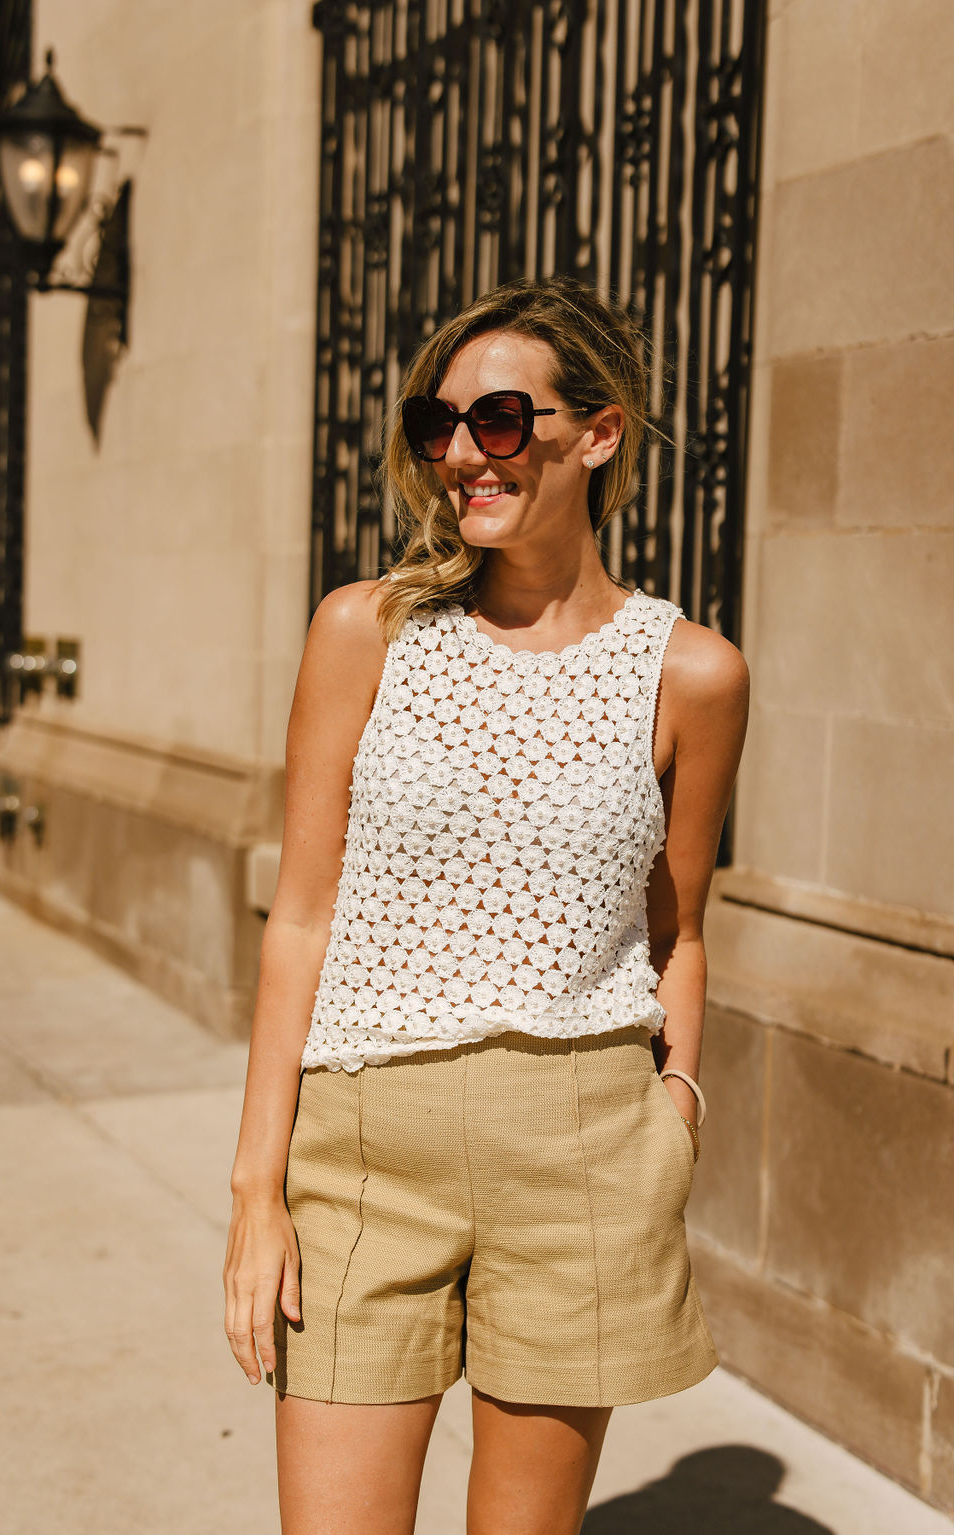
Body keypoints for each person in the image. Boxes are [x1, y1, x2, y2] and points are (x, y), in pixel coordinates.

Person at [223, 274, 750, 1535]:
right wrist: (255, 1189)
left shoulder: (693, 671)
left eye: (501, 419)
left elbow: (678, 922)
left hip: (580, 1145)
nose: (462, 453)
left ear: (600, 429)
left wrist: (676, 1102)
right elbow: (300, 913)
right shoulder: (365, 630)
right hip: (362, 1146)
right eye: (438, 423)